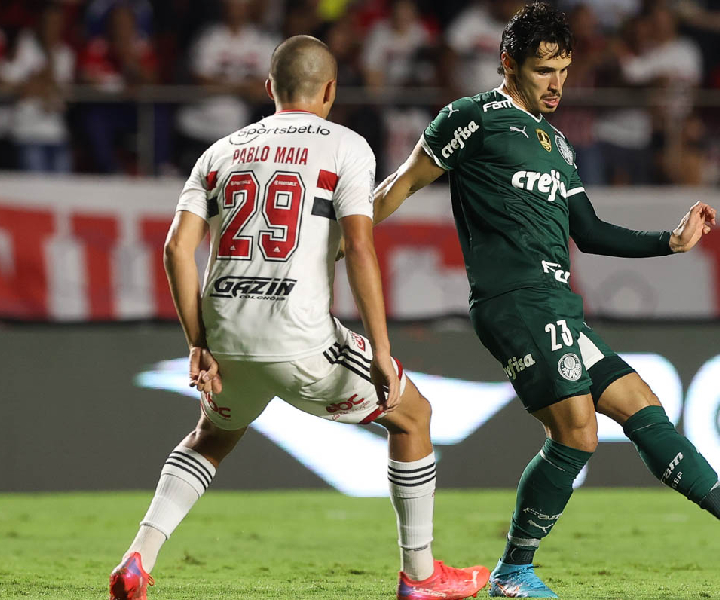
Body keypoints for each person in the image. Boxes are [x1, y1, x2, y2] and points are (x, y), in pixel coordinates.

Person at [370, 4, 720, 597]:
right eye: (544, 69)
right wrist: (342, 240)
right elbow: (404, 182)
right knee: (577, 434)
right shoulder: (471, 118)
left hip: (556, 301)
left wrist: (670, 243)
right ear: (509, 64)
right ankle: (515, 571)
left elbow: (591, 231)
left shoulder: (556, 143)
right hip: (513, 301)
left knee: (640, 402)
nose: (557, 84)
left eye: (565, 70)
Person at [108, 35, 489, 600]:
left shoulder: (221, 150)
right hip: (300, 340)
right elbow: (359, 247)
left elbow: (174, 248)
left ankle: (137, 558)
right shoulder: (346, 146)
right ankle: (421, 575)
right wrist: (381, 348)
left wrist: (197, 343)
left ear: (269, 90)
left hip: (227, 339)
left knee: (211, 436)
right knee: (413, 416)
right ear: (331, 90)